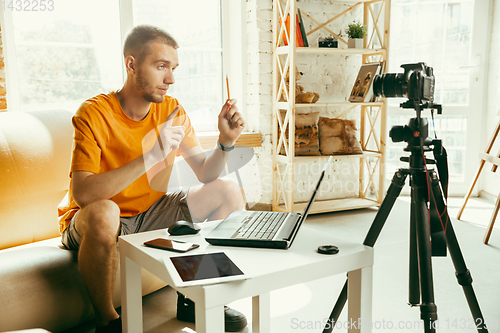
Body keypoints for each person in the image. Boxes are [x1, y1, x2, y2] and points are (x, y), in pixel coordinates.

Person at [57, 25, 248, 333]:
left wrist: (225, 142)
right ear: (131, 64)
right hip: (95, 219)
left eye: (173, 68)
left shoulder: (172, 110)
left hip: (152, 212)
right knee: (106, 211)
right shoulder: (93, 113)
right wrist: (151, 155)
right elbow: (84, 195)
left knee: (229, 192)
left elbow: (206, 172)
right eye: (161, 67)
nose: (170, 79)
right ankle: (107, 321)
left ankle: (195, 296)